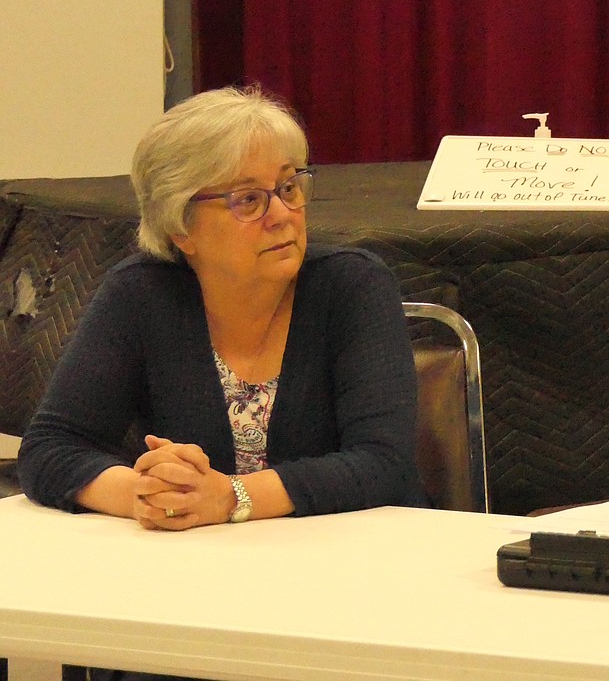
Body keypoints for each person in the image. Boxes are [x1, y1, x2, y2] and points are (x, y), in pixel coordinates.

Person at [18, 86, 427, 530]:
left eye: (288, 187)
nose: (282, 214)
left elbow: (384, 464)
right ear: (180, 228)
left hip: (359, 561)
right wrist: (147, 495)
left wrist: (231, 498)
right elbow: (49, 447)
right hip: (202, 570)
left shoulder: (352, 285)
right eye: (248, 199)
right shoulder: (140, 295)